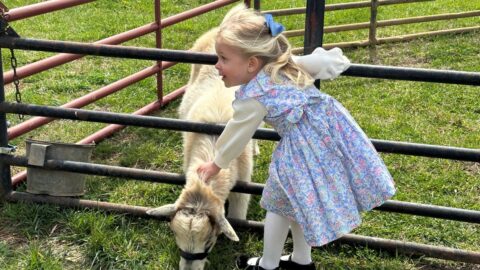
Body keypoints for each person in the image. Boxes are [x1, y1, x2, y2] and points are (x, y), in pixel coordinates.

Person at [197, 4, 396, 270]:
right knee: (296, 200)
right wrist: (332, 60)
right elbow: (325, 62)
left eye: (223, 58)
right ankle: (301, 260)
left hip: (304, 147)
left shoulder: (255, 95)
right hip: (331, 133)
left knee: (279, 204)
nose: (217, 65)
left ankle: (269, 265)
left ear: (252, 63)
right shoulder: (285, 66)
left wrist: (216, 164)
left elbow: (237, 132)